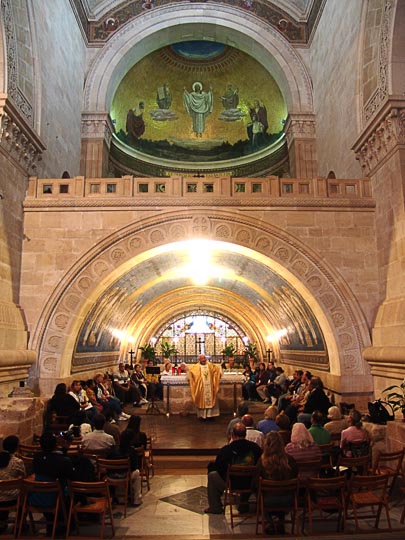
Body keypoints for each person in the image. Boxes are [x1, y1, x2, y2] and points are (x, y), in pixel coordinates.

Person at [205, 423, 262, 514]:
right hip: (251, 483)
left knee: (212, 475)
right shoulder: (255, 448)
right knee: (251, 476)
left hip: (232, 483)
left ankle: (215, 507)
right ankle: (244, 502)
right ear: (245, 434)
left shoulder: (226, 450)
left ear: (233, 435)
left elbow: (219, 468)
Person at [254, 432, 298, 535]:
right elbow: (296, 476)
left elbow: (255, 484)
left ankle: (269, 521)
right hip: (289, 500)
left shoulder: (262, 462)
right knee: (282, 491)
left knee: (261, 492)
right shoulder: (290, 460)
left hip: (267, 501)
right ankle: (280, 521)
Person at [0, 436, 25, 534]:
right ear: (16, 447)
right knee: (24, 491)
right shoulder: (17, 462)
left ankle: (2, 521)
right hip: (12, 499)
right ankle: (19, 523)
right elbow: (23, 477)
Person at [188, 354, 222, 420]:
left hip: (210, 387)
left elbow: (217, 370)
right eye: (202, 359)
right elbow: (191, 373)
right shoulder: (196, 367)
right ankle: (202, 416)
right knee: (202, 401)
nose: (203, 360)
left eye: (204, 358)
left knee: (211, 399)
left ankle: (210, 415)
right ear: (199, 359)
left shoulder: (210, 365)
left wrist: (220, 369)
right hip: (202, 388)